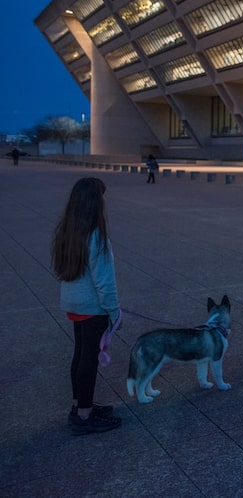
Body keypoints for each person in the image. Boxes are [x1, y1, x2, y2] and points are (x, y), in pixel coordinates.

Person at [51, 177, 122, 435]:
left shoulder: (68, 231)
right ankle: (84, 415)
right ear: (94, 202)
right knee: (88, 360)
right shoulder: (97, 237)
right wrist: (115, 313)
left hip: (73, 304)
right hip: (92, 308)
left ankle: (79, 405)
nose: (105, 202)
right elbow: (105, 283)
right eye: (103, 197)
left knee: (80, 353)